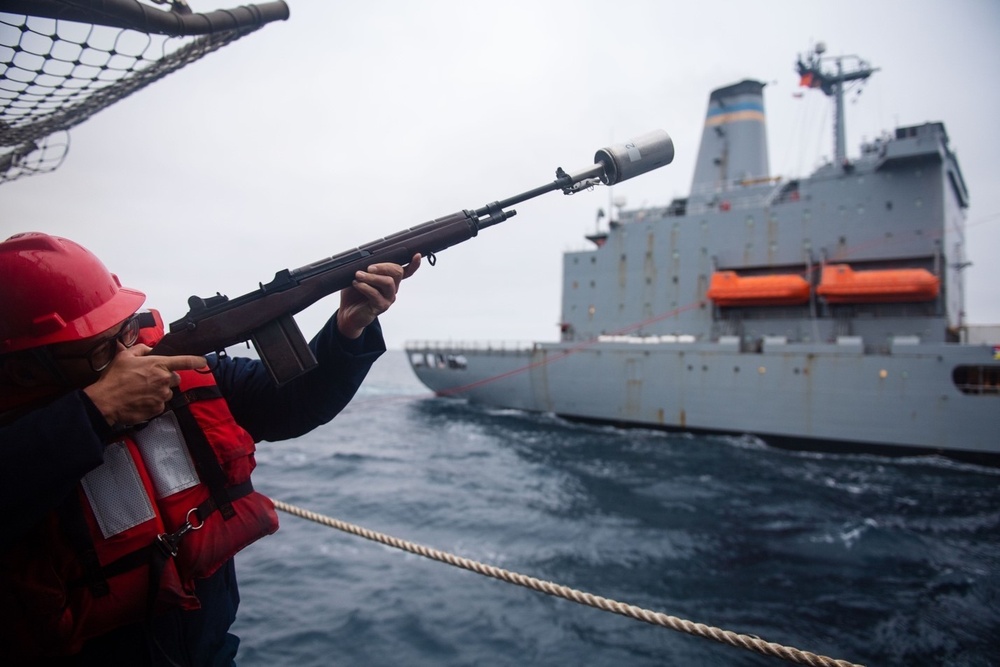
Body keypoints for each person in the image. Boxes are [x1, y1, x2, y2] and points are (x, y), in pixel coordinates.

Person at [0, 232, 421, 665]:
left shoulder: (172, 371)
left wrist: (348, 328)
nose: (130, 355)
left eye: (125, 329)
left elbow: (291, 405)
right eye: (99, 352)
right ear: (27, 372)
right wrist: (92, 413)